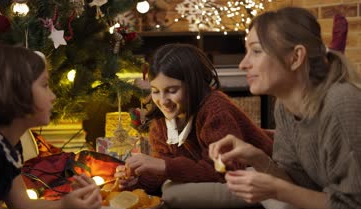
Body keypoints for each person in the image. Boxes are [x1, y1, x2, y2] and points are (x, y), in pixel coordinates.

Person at [209, 6, 361, 209]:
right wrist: (257, 158)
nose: (243, 64)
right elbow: (300, 183)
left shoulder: (343, 104)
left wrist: (278, 190)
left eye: (256, 51)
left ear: (296, 57)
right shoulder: (284, 107)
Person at [0, 45, 102, 209]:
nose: (53, 96)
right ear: (15, 92)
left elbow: (22, 204)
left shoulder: (5, 143)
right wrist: (63, 207)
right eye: (45, 85)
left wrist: (70, 202)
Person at [115, 43, 274, 195]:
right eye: (156, 91)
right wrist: (135, 180)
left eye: (172, 90)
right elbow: (162, 173)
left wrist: (164, 166)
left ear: (193, 85)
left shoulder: (215, 109)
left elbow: (224, 169)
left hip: (273, 168)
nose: (162, 101)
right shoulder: (161, 124)